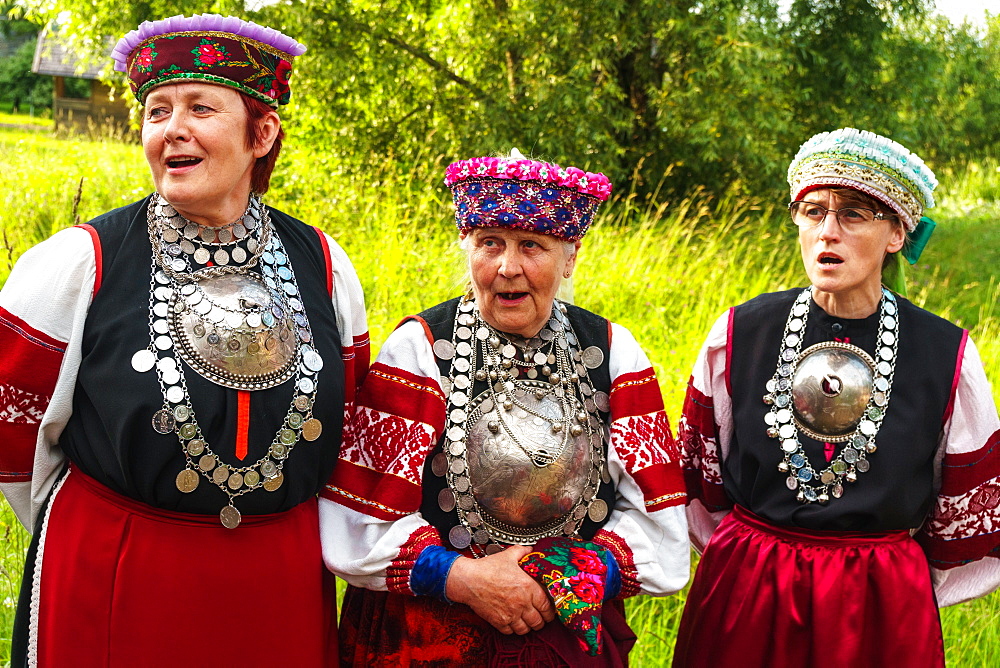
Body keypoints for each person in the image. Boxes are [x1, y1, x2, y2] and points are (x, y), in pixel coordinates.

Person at [0, 14, 368, 667]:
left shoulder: (326, 264)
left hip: (277, 590)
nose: (173, 129)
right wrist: (109, 524)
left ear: (263, 133)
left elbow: (349, 424)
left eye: (200, 108)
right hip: (117, 580)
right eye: (156, 111)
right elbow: (13, 437)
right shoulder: (79, 264)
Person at [320, 151, 689, 666]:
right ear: (466, 249)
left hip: (562, 631)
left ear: (570, 257)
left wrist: (566, 579)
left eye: (531, 246)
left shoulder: (613, 352)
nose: (507, 267)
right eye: (489, 243)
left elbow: (659, 523)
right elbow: (359, 517)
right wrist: (464, 578)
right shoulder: (419, 349)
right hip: (427, 637)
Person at [674, 128, 1000, 667]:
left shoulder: (947, 355)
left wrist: (897, 583)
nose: (828, 231)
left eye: (853, 214)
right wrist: (757, 557)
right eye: (812, 211)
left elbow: (963, 504)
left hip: (878, 603)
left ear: (896, 232)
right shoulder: (739, 335)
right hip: (749, 591)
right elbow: (701, 478)